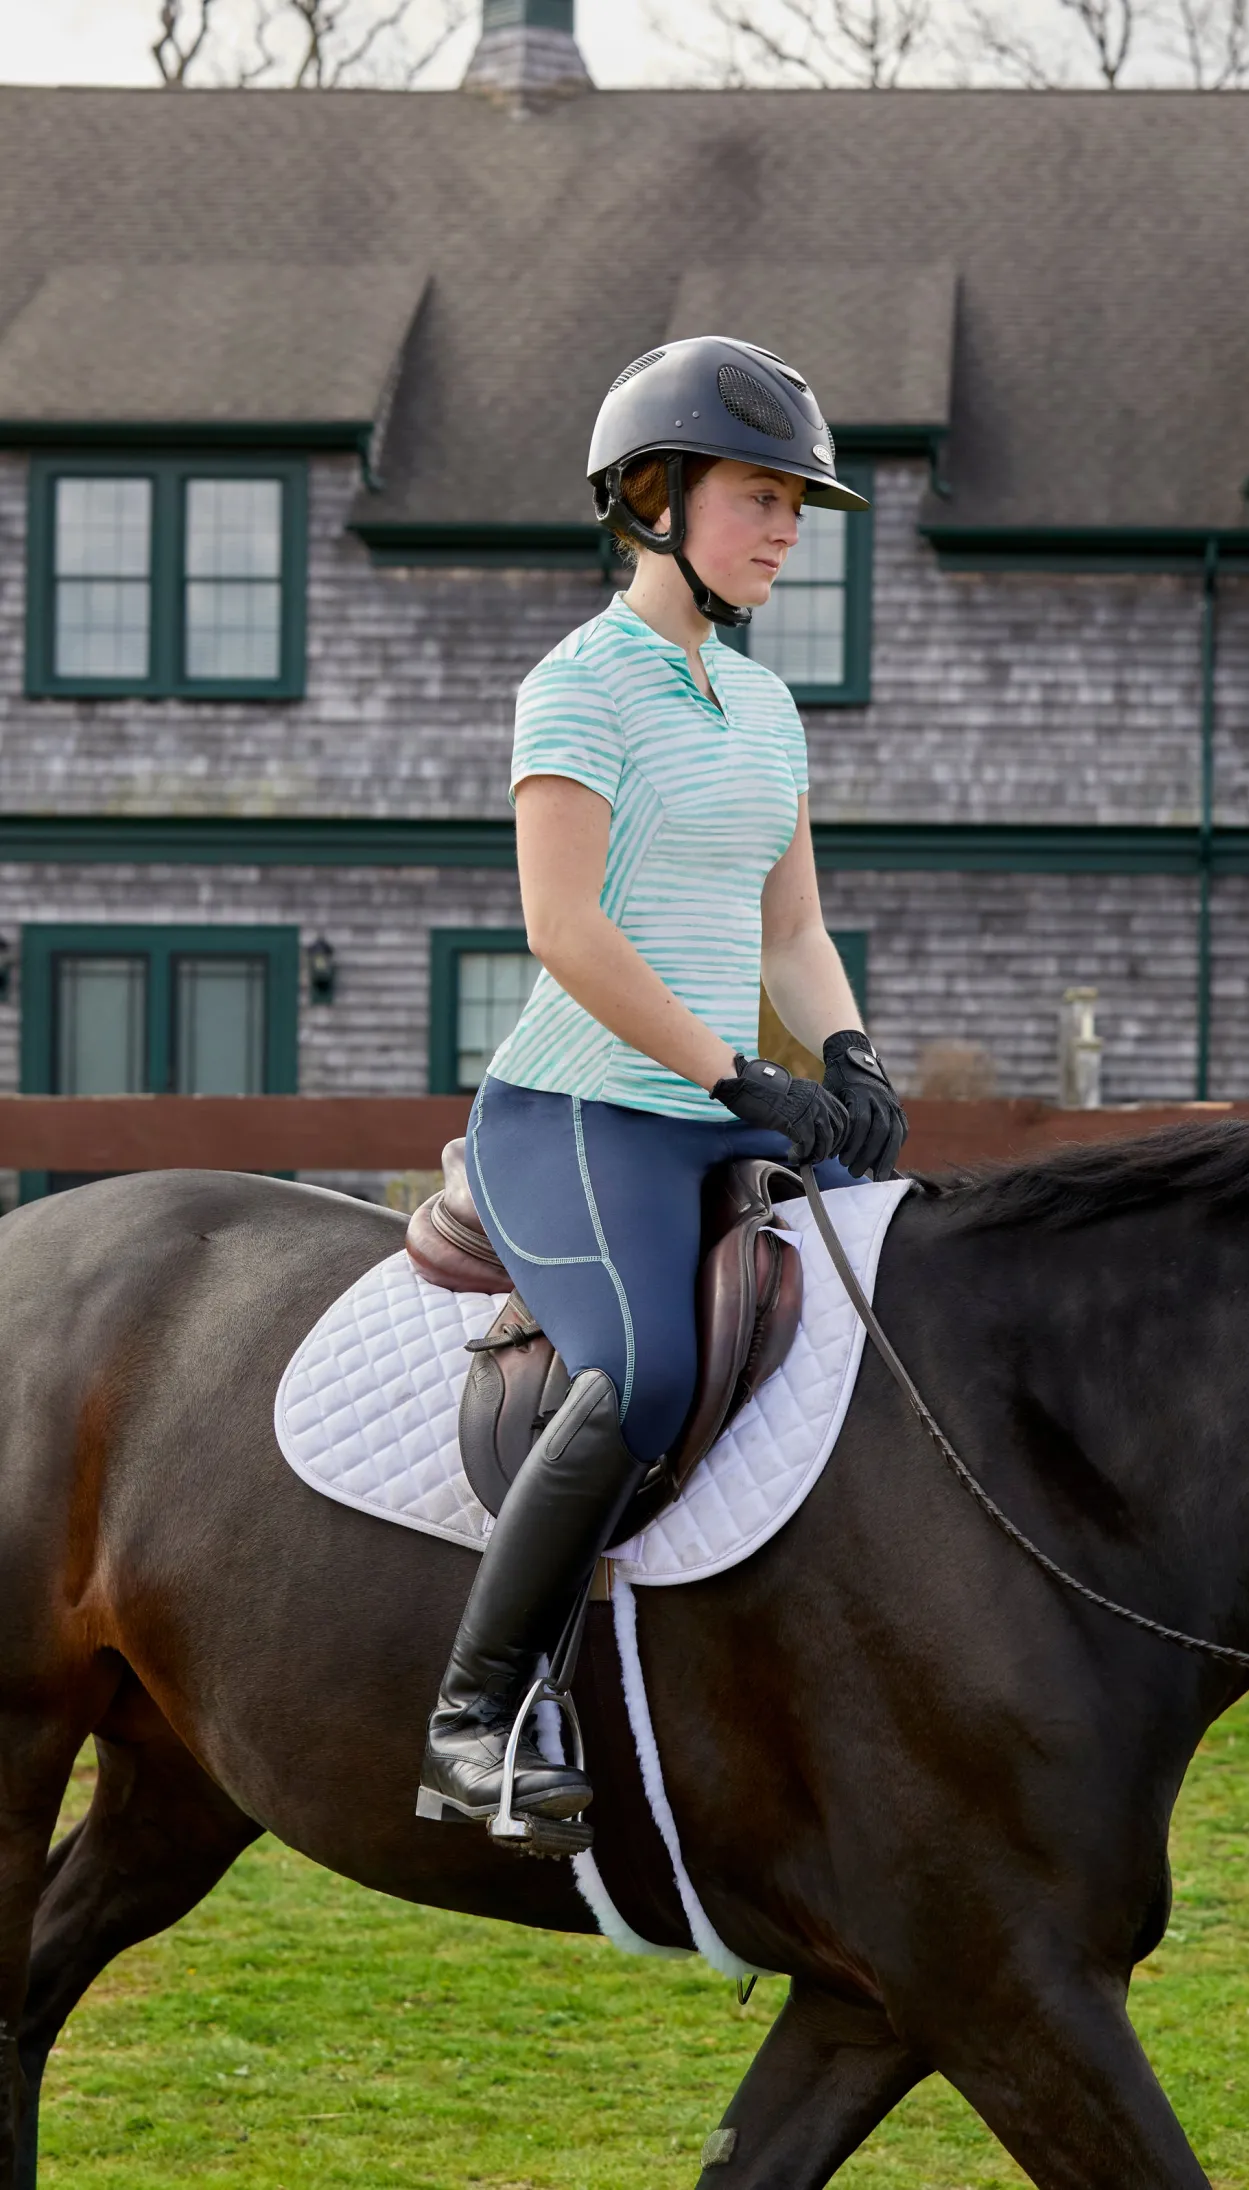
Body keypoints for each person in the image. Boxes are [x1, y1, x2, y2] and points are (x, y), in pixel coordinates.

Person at [417, 336, 909, 1828]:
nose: (784, 531)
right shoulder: (579, 686)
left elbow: (794, 923)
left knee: (905, 1313)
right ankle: (475, 1719)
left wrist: (852, 1055)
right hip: (581, 1110)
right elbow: (564, 928)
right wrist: (737, 1073)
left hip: (722, 1101)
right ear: (652, 497)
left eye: (796, 507)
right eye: (761, 496)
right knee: (643, 1373)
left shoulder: (764, 709)